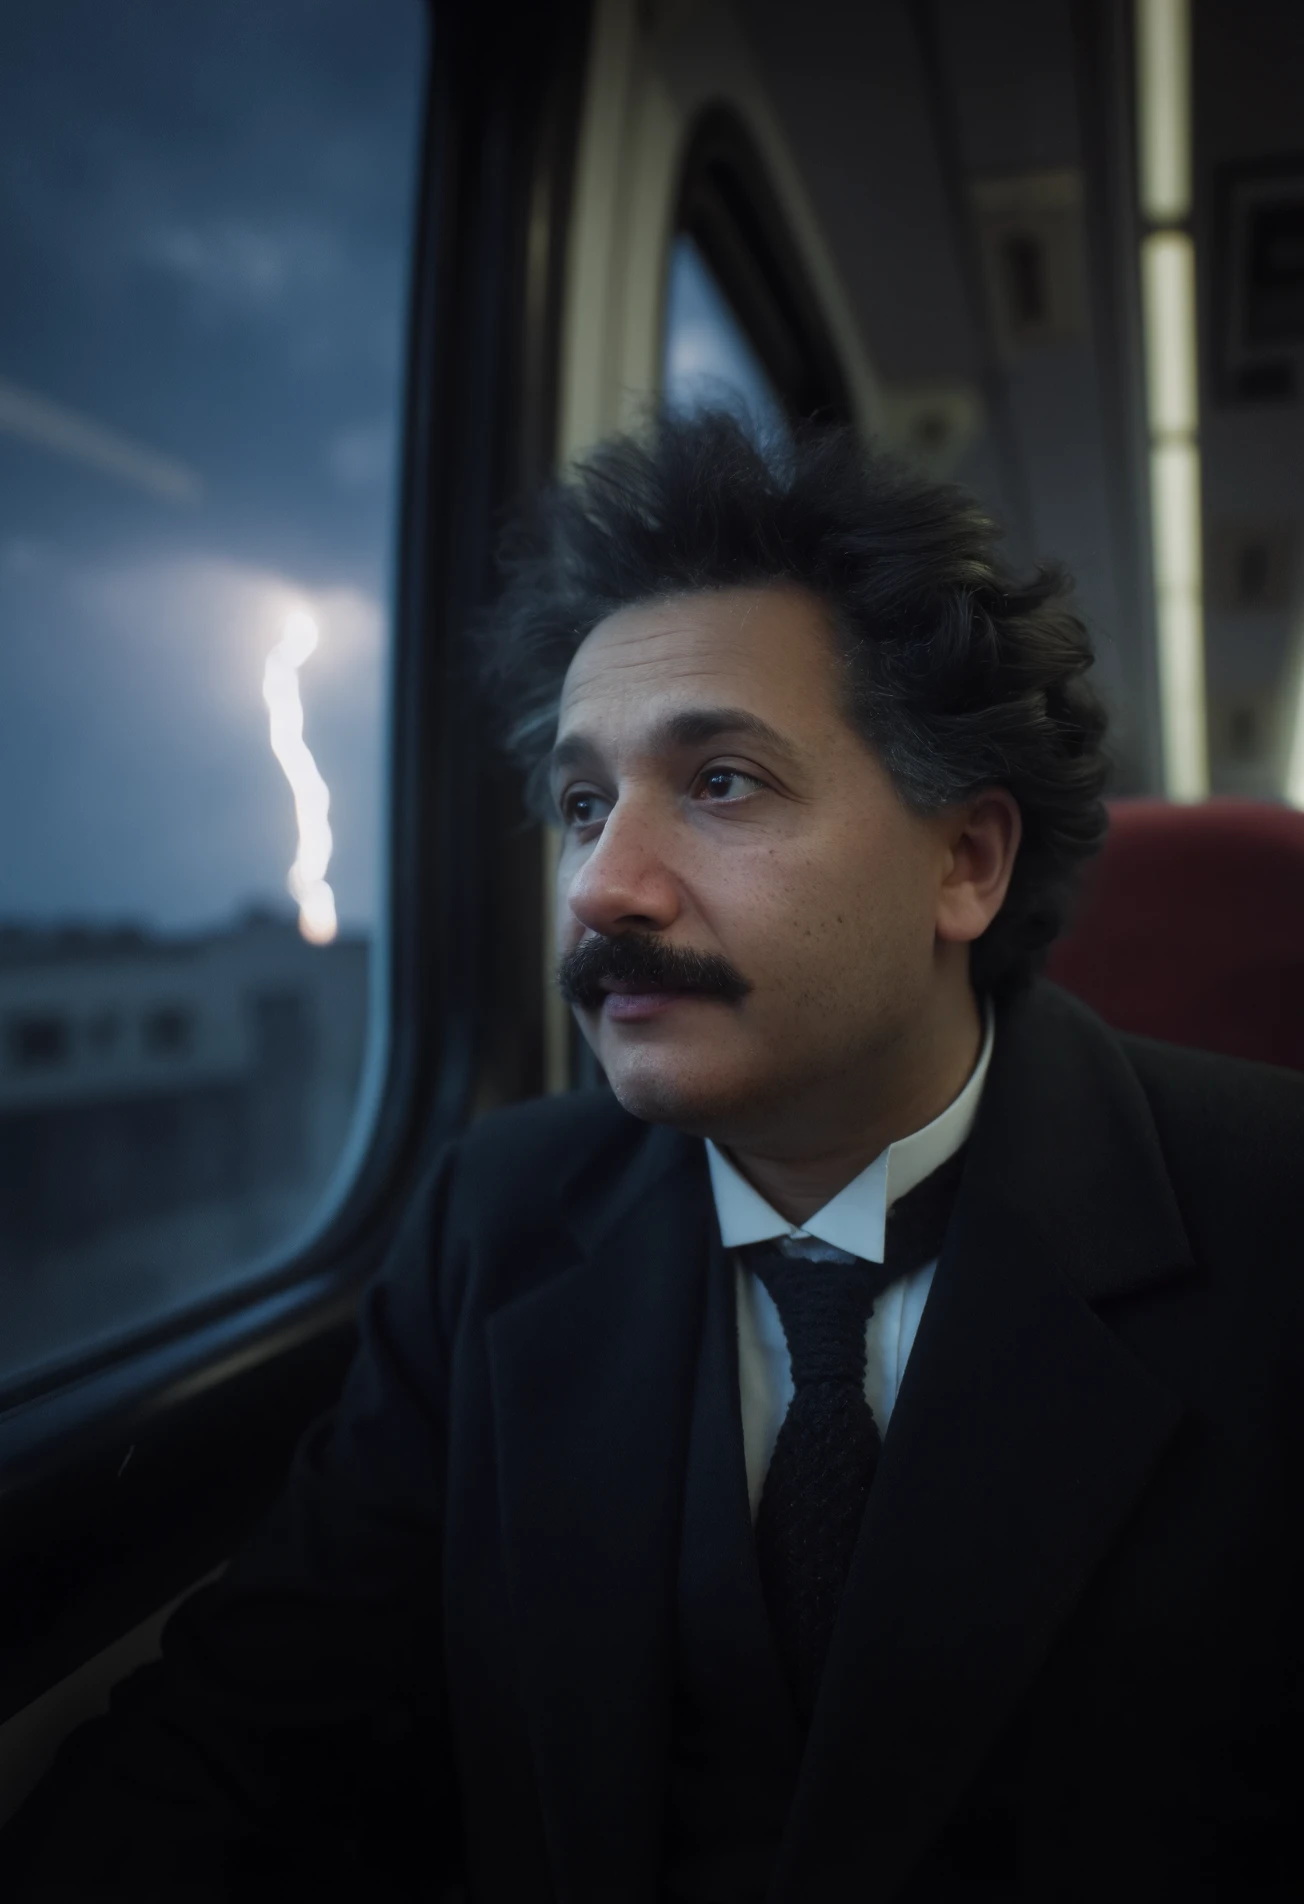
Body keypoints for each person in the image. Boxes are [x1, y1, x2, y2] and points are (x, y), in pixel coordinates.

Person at [4, 411, 1302, 1901]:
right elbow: (262, 1726)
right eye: (581, 804)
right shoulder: (494, 1221)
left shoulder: (1274, 1224)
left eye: (723, 783)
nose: (604, 888)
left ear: (967, 861)